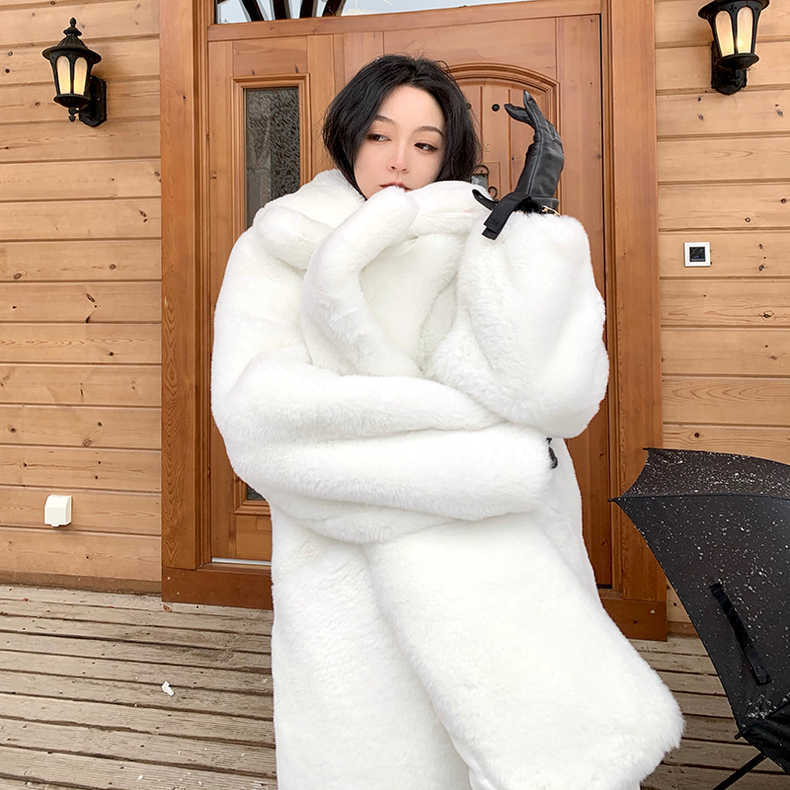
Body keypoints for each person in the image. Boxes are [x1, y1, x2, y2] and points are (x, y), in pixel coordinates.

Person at [211, 54, 684, 790]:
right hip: (348, 572)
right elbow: (264, 423)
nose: (399, 161)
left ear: (450, 154)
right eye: (379, 136)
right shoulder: (276, 248)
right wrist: (473, 447)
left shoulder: (485, 238)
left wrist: (532, 235)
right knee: (377, 756)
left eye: (426, 145)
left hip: (507, 554)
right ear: (348, 137)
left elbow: (550, 397)